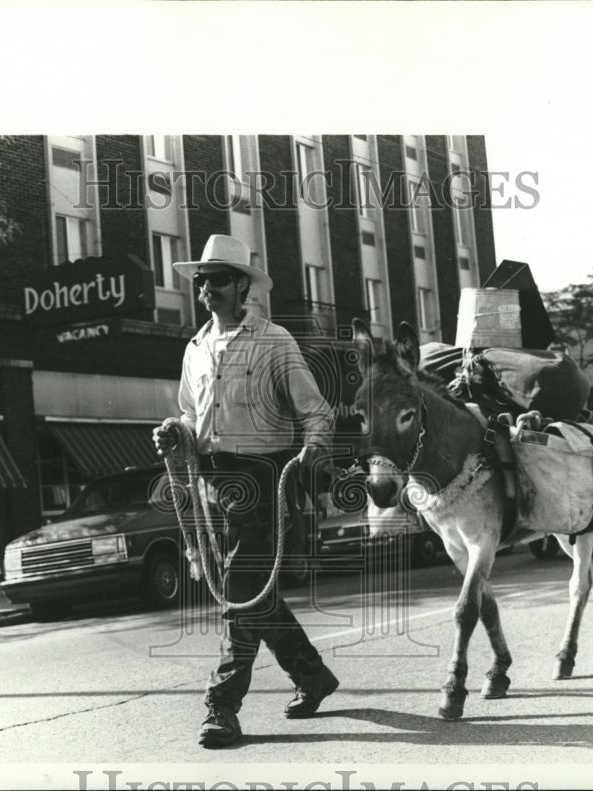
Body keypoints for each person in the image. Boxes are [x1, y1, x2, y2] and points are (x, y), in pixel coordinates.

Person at [153, 234, 339, 749]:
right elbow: (192, 416)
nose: (205, 289)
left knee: (239, 591)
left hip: (262, 480)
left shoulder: (274, 340)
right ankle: (312, 676)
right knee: (256, 596)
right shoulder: (194, 349)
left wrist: (313, 451)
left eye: (216, 280)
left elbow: (316, 411)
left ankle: (222, 705)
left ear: (242, 287)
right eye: (200, 280)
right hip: (215, 482)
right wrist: (175, 429)